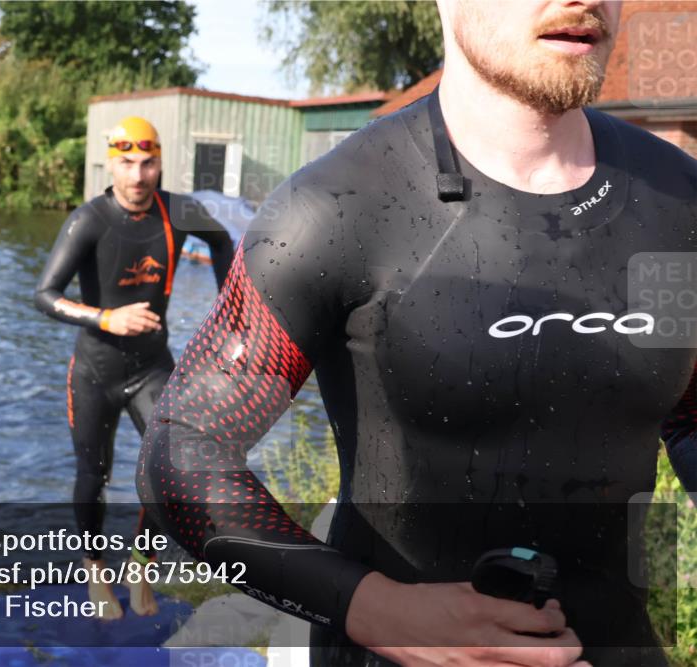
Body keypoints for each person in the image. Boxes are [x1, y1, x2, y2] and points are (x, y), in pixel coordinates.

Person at [137, 2, 696, 666]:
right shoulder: (337, 210)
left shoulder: (675, 202)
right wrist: (376, 609)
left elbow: (689, 417)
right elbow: (183, 450)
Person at [35, 116, 234, 620]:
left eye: (147, 163)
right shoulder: (89, 221)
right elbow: (44, 295)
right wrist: (106, 316)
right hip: (95, 371)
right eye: (127, 163)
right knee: (93, 474)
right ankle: (95, 568)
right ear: (111, 163)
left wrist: (229, 318)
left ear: (160, 162)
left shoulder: (179, 211)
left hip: (152, 368)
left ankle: (140, 561)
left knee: (175, 470)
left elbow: (223, 243)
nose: (138, 176)